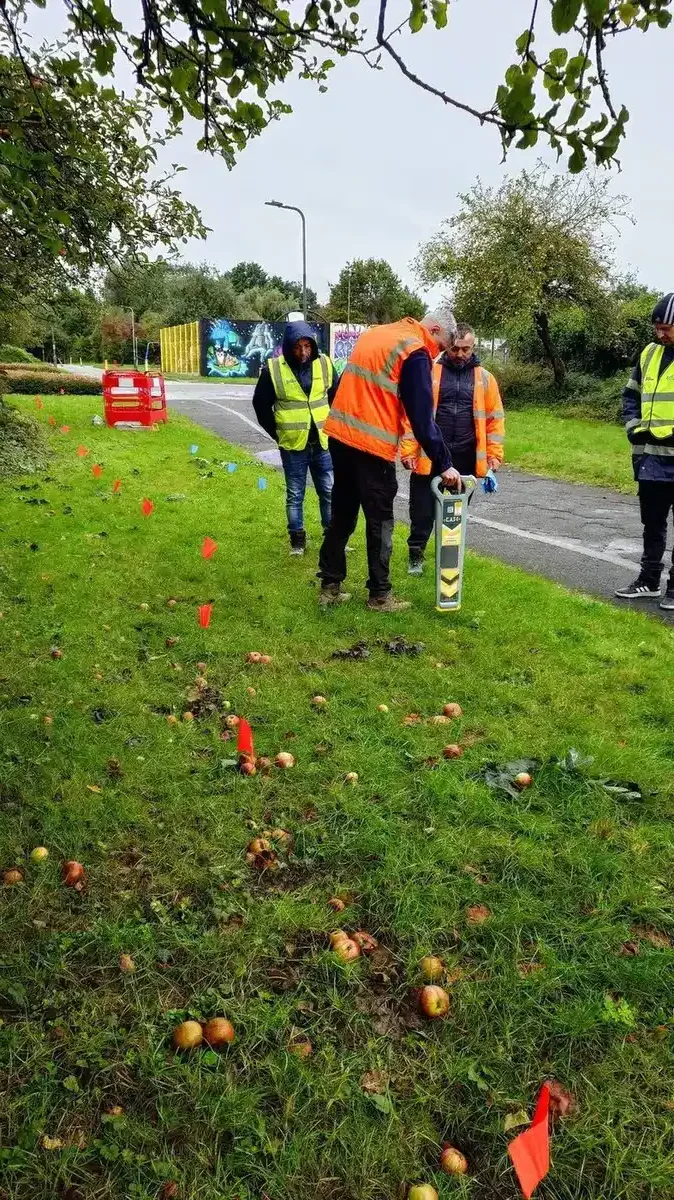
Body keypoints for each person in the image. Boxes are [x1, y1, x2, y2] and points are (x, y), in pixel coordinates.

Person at [317, 307, 461, 611]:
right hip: (372, 447)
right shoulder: (415, 350)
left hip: (340, 437)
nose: (437, 356)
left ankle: (329, 586)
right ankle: (379, 595)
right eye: (441, 348)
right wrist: (444, 462)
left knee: (342, 514)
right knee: (380, 521)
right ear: (434, 331)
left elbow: (340, 387)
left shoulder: (376, 334)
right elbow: (422, 417)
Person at [399, 322, 505, 574]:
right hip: (430, 454)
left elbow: (495, 419)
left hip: (465, 457)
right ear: (448, 346)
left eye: (466, 349)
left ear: (473, 347)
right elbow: (413, 415)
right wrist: (409, 450)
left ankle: (448, 561)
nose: (460, 354)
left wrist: (494, 456)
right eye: (456, 349)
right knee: (422, 512)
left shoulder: (485, 379)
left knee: (455, 514)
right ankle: (416, 554)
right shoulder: (429, 371)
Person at [253, 321, 339, 556]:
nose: (303, 352)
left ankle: (332, 536)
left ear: (313, 345)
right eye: (298, 347)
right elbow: (260, 405)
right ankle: (297, 541)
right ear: (288, 346)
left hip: (322, 441)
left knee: (329, 491)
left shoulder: (325, 364)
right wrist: (278, 432)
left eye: (307, 346)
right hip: (293, 444)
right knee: (295, 494)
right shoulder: (273, 369)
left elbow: (337, 398)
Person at [616, 293, 674, 610]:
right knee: (652, 525)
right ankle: (648, 581)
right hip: (650, 458)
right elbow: (630, 395)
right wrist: (632, 426)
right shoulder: (649, 353)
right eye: (658, 327)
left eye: (667, 328)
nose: (660, 333)